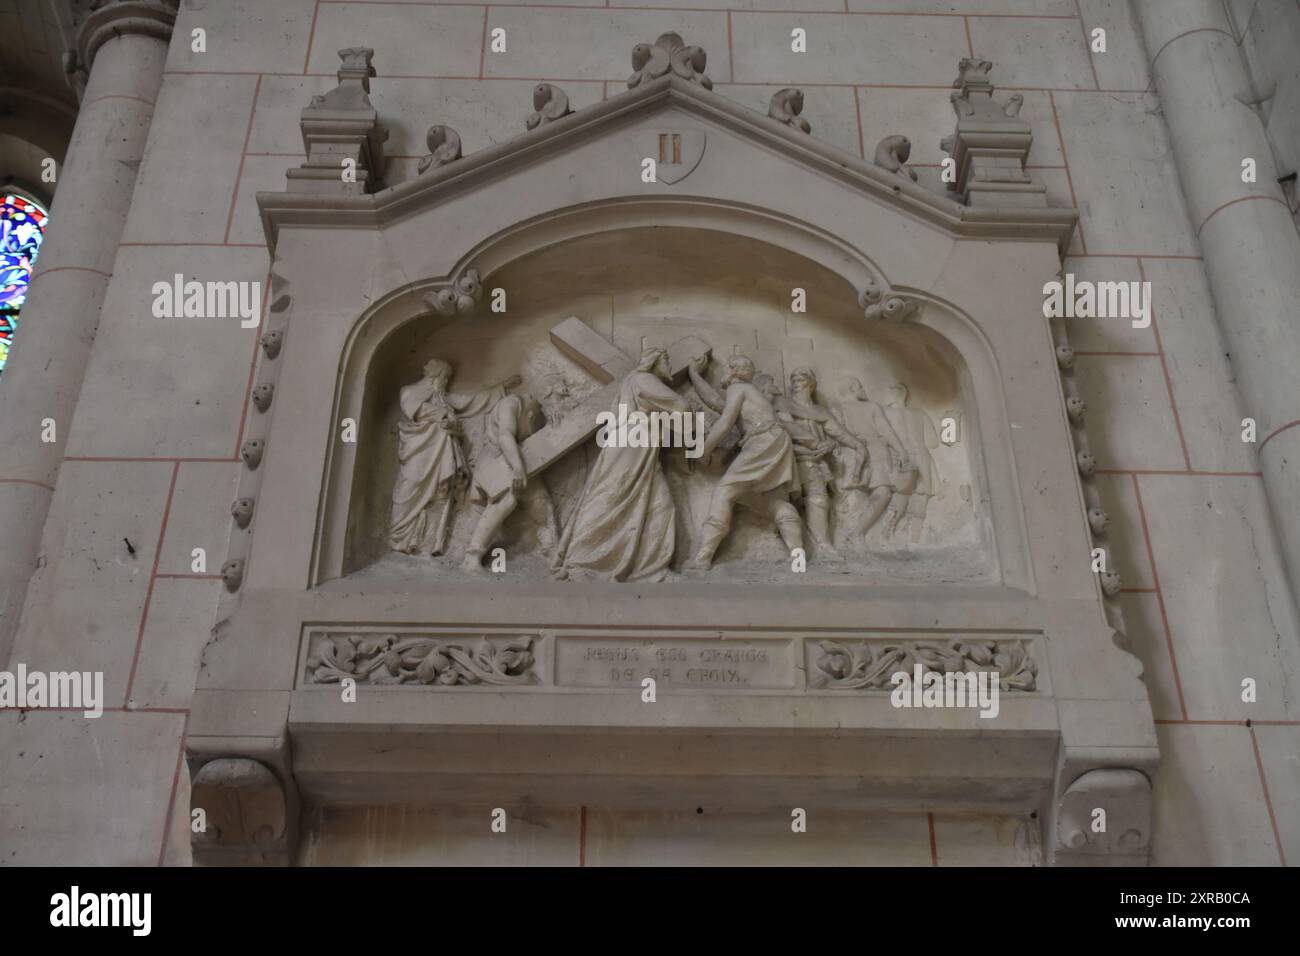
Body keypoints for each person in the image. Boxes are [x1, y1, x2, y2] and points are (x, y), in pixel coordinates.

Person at [553, 348, 693, 582]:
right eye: (666, 359)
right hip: (631, 447)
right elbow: (680, 404)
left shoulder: (634, 382)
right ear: (654, 362)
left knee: (661, 506)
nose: (669, 364)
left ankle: (653, 569)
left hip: (641, 450)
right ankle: (580, 560)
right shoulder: (643, 379)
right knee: (612, 496)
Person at [388, 358, 519, 556]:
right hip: (418, 452)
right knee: (410, 487)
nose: (446, 381)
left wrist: (500, 388)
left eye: (448, 378)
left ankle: (425, 543)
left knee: (439, 494)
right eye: (445, 377)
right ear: (435, 376)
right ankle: (399, 535)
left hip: (441, 454)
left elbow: (471, 401)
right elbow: (415, 409)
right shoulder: (409, 391)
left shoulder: (442, 397)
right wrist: (444, 415)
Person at [685, 354, 804, 569]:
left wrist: (704, 450)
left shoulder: (738, 389)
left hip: (762, 441)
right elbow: (716, 402)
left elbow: (725, 422)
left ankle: (702, 558)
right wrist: (694, 375)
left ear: (732, 370)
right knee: (774, 500)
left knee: (725, 491)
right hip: (776, 440)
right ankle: (798, 558)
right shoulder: (748, 392)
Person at [461, 389, 560, 573]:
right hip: (497, 459)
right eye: (535, 411)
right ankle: (471, 558)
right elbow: (505, 435)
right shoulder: (511, 404)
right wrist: (518, 468)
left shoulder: (531, 413)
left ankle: (555, 552)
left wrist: (554, 422)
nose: (535, 414)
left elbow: (534, 438)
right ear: (530, 401)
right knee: (506, 500)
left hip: (518, 460)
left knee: (542, 503)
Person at [773, 367, 864, 559]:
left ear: (812, 384)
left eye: (801, 378)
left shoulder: (820, 411)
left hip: (815, 460)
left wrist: (856, 445)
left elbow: (838, 433)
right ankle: (804, 547)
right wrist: (820, 444)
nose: (796, 382)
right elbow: (788, 429)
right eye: (794, 378)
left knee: (818, 498)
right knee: (799, 500)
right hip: (791, 458)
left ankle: (821, 544)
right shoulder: (783, 403)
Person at [832, 376, 913, 545]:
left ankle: (857, 533)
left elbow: (886, 431)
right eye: (860, 386)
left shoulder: (869, 407)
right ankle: (849, 534)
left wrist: (901, 451)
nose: (863, 390)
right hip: (858, 452)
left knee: (883, 493)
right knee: (862, 496)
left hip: (874, 452)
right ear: (853, 388)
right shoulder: (840, 408)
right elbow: (886, 432)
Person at [880, 382, 940, 542]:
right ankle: (914, 539)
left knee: (900, 497)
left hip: (902, 458)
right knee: (921, 499)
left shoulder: (886, 413)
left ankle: (887, 533)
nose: (883, 396)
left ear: (895, 395)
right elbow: (933, 442)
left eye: (887, 392)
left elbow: (882, 439)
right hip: (922, 458)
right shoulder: (919, 413)